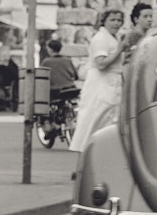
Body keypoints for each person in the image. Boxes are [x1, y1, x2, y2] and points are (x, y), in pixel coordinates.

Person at [69, 8, 127, 154]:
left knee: (105, 122)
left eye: (119, 20)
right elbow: (101, 63)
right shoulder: (101, 39)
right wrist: (120, 49)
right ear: (104, 21)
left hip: (111, 84)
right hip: (100, 85)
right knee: (94, 121)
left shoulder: (113, 38)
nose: (116, 23)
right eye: (112, 20)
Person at [39, 38, 79, 137]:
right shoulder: (67, 60)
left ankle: (50, 125)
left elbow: (41, 78)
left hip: (55, 91)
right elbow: (76, 75)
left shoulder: (46, 62)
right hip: (71, 89)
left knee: (43, 105)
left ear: (50, 49)